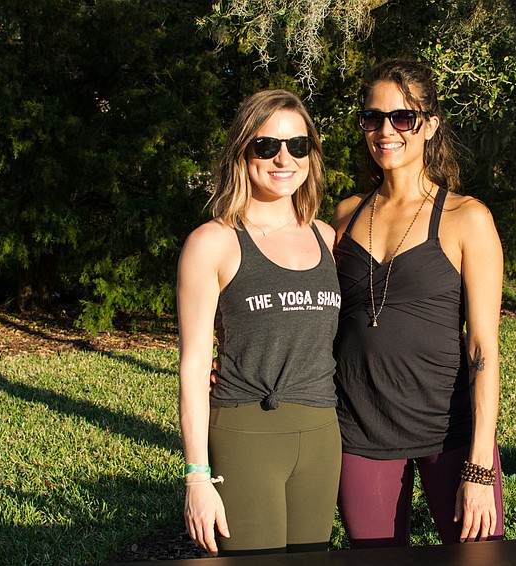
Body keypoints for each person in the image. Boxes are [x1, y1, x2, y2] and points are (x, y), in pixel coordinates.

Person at [331, 59, 505, 548]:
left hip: (448, 432)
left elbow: (483, 350)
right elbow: (306, 304)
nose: (385, 130)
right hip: (361, 432)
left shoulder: (466, 218)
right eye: (372, 118)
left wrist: (479, 467)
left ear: (429, 125)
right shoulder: (346, 214)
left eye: (402, 117)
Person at [177, 89, 342, 556]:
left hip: (321, 435)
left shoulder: (327, 237)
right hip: (247, 434)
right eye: (266, 146)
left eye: (298, 145)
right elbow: (193, 368)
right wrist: (197, 477)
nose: (283, 158)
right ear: (242, 153)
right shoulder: (213, 243)